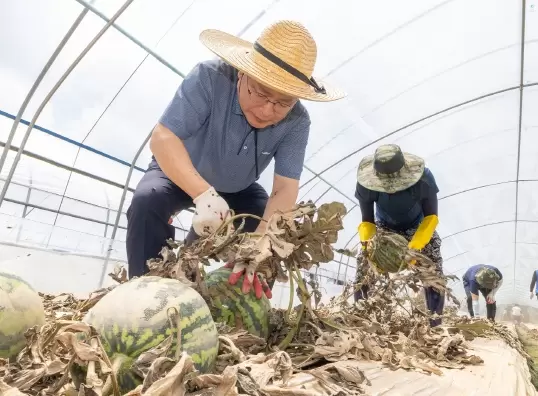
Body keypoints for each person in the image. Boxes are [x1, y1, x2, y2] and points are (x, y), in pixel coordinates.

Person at [125, 20, 345, 297]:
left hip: (238, 188)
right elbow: (163, 138)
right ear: (242, 73)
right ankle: (142, 298)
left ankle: (230, 302)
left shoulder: (298, 121)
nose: (267, 111)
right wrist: (203, 194)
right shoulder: (208, 77)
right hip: (179, 170)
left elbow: (285, 188)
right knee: (148, 200)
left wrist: (262, 241)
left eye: (282, 103)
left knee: (269, 237)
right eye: (261, 93)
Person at [354, 144, 444, 326]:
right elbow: (367, 221)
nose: (391, 189)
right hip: (385, 227)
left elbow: (431, 218)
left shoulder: (424, 179)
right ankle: (360, 318)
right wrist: (368, 247)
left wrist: (415, 247)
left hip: (418, 227)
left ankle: (435, 323)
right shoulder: (366, 185)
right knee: (363, 263)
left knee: (433, 267)